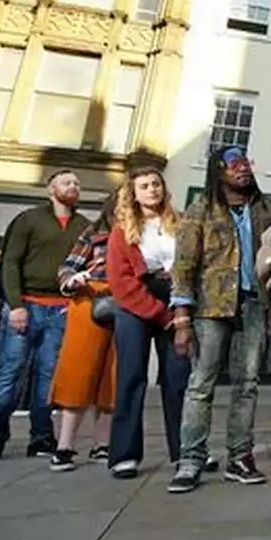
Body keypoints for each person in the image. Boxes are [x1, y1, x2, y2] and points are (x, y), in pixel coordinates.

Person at [167, 145, 271, 493]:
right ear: (219, 171)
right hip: (210, 308)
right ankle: (191, 459)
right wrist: (182, 319)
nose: (243, 168)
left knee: (248, 384)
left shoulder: (269, 208)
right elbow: (184, 265)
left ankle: (239, 458)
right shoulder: (201, 209)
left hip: (255, 304)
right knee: (201, 383)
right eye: (234, 164)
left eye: (246, 162)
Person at [0, 170, 92, 463]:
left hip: (61, 307)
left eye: (77, 183)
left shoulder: (84, 226)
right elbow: (11, 263)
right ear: (51, 189)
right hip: (26, 303)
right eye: (67, 182)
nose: (73, 186)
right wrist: (15, 304)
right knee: (9, 371)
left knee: (48, 374)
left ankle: (41, 436)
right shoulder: (29, 219)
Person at [105, 166, 188, 479]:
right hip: (136, 303)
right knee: (131, 376)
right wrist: (160, 314)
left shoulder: (181, 223)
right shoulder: (121, 230)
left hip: (176, 297)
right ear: (134, 193)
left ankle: (186, 451)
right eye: (144, 186)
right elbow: (121, 281)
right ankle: (124, 455)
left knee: (179, 377)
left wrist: (179, 312)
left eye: (156, 184)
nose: (152, 189)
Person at [47, 192, 119, 471]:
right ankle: (65, 445)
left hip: (126, 300)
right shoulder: (94, 232)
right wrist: (71, 280)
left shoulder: (145, 233)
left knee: (114, 374)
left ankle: (102, 444)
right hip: (90, 297)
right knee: (78, 370)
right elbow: (68, 265)